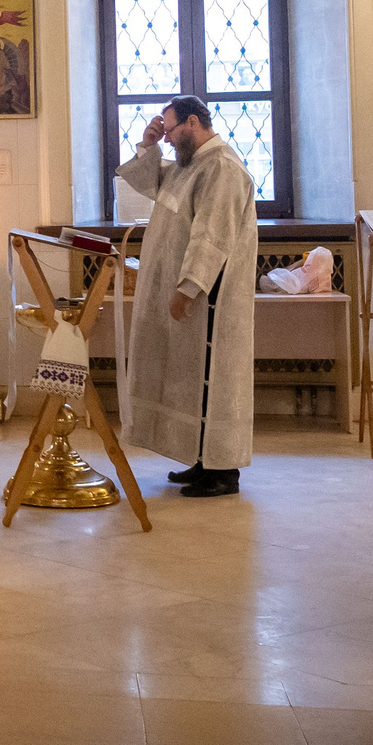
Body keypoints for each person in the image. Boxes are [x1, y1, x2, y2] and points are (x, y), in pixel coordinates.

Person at [117, 96, 258, 497]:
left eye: (172, 129)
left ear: (193, 122)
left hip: (211, 296)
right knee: (193, 379)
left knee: (213, 376)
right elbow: (148, 183)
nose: (170, 137)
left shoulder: (222, 169)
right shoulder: (187, 166)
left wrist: (189, 287)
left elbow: (211, 235)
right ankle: (202, 461)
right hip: (189, 294)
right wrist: (149, 145)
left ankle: (223, 471)